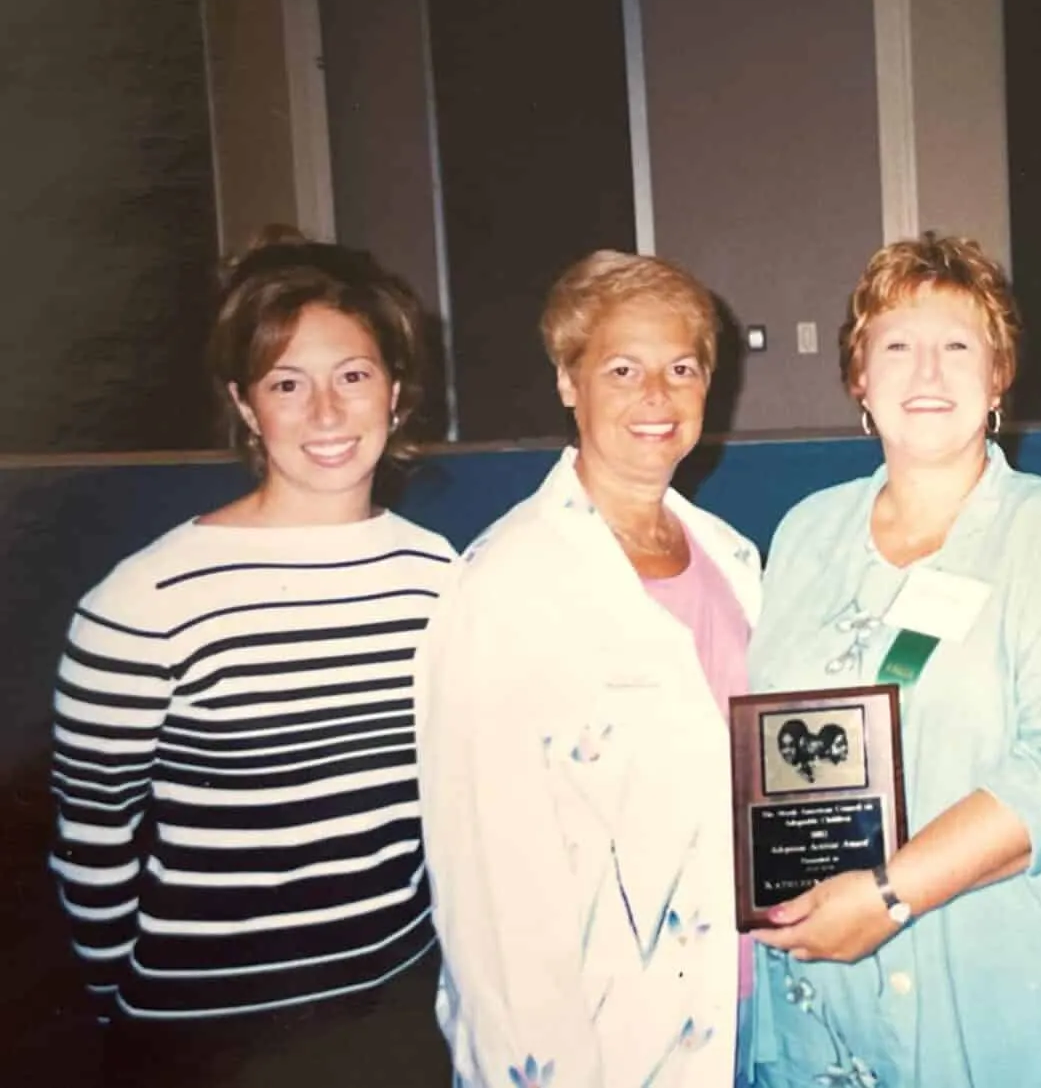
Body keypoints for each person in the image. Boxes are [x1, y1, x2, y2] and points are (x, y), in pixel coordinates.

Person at [744, 235, 1041, 1088]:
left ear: (1000, 375)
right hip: (829, 999)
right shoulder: (804, 534)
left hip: (998, 1001)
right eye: (896, 345)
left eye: (958, 345)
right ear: (859, 376)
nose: (926, 371)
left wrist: (890, 895)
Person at [49, 234, 455, 1086]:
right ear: (244, 403)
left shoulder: (440, 578)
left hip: (396, 1013)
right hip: (207, 1034)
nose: (326, 413)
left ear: (397, 390)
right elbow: (93, 842)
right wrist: (116, 1005)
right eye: (286, 383)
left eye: (352, 375)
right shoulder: (143, 603)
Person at [417, 252, 760, 1088]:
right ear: (569, 382)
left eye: (681, 367)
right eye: (622, 368)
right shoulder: (506, 583)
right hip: (598, 1042)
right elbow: (487, 895)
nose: (657, 396)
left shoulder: (734, 559)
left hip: (748, 1009)